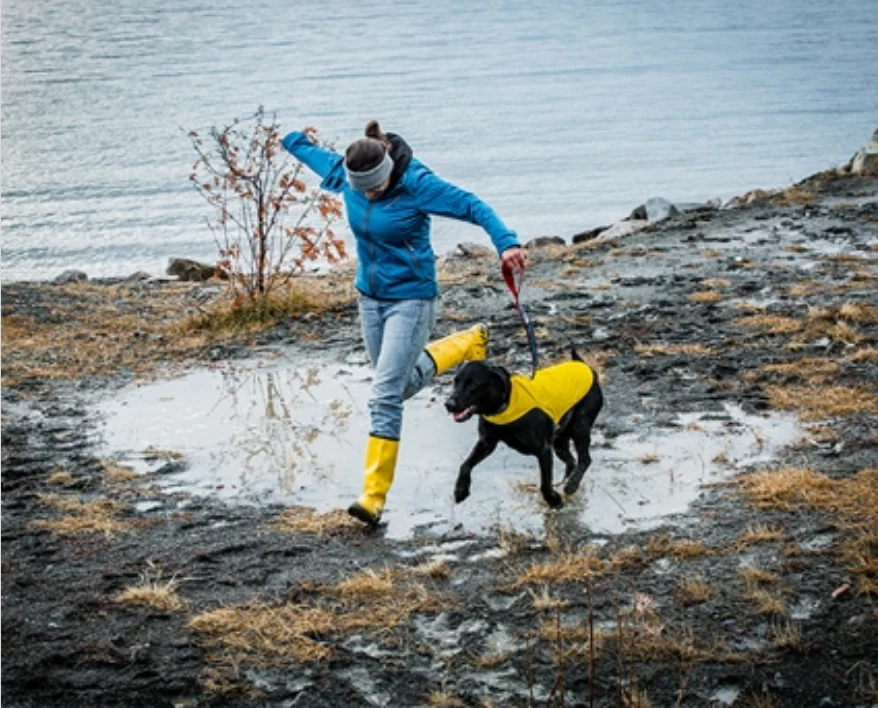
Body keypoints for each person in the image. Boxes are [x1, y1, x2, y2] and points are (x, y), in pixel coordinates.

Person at [281, 120, 527, 526]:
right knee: (398, 384)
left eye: (377, 188)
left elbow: (473, 205)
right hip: (369, 297)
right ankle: (465, 344)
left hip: (411, 299)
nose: (370, 194)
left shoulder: (417, 184)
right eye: (363, 190)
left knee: (383, 397)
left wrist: (507, 244)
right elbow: (309, 154)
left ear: (389, 171)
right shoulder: (347, 175)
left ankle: (372, 498)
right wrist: (290, 139)